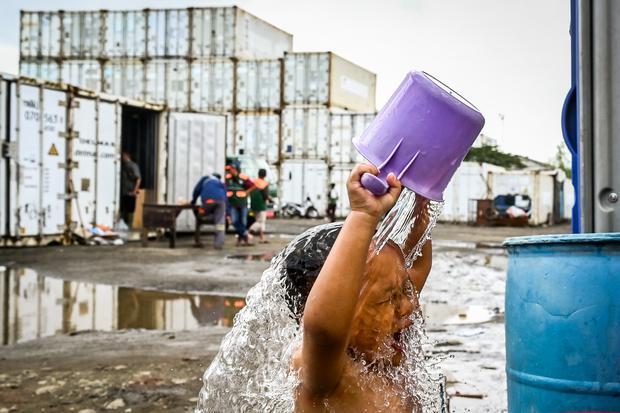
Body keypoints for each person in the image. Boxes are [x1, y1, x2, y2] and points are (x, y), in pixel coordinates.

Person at [291, 163, 433, 412]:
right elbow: (325, 330)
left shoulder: (382, 352)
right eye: (388, 298)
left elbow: (418, 267)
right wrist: (364, 215)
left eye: (404, 291)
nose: (410, 305)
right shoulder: (327, 374)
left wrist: (420, 202)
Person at [191, 173, 227, 249]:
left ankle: (198, 239)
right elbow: (225, 195)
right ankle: (218, 244)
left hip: (208, 202)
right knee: (220, 222)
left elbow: (196, 190)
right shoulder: (220, 183)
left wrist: (193, 201)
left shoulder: (205, 179)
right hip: (221, 202)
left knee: (200, 215)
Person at [225, 164, 255, 246]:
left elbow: (253, 185)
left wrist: (247, 192)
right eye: (231, 169)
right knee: (234, 221)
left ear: (237, 169)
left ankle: (241, 240)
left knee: (243, 222)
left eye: (233, 169)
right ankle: (246, 235)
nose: (231, 171)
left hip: (242, 203)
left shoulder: (243, 177)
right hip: (232, 203)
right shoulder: (227, 178)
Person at [249, 168, 271, 244]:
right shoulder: (265, 183)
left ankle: (262, 238)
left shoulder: (253, 182)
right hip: (261, 205)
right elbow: (265, 195)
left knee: (259, 221)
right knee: (261, 222)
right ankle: (249, 233)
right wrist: (270, 199)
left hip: (253, 205)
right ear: (265, 175)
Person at [120, 151, 141, 228]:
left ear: (127, 156)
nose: (122, 158)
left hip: (130, 191)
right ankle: (124, 225)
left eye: (123, 156)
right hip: (124, 192)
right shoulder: (123, 166)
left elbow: (138, 179)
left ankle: (129, 225)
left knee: (130, 209)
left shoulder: (133, 165)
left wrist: (134, 191)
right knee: (123, 209)